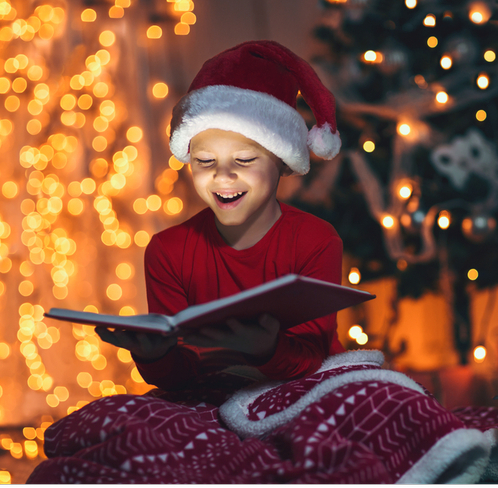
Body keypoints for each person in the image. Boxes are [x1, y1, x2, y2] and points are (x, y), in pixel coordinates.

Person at [96, 40, 345, 391]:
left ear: (282, 164)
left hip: (306, 390)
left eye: (244, 160)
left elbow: (312, 359)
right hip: (208, 396)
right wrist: (155, 356)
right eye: (205, 161)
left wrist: (266, 350)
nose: (222, 176)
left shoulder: (316, 240)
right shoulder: (167, 250)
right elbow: (179, 381)